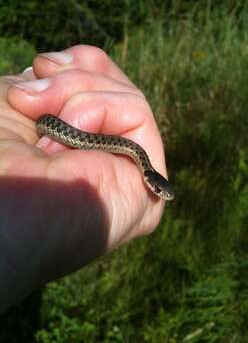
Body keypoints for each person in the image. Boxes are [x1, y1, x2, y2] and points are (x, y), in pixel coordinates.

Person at [0, 44, 168, 314]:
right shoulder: (136, 154)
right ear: (151, 180)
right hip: (43, 120)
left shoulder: (137, 157)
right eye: (159, 190)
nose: (160, 194)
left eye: (160, 191)